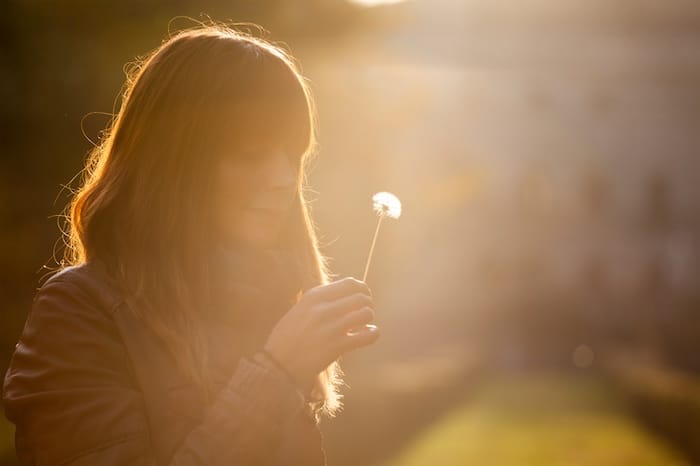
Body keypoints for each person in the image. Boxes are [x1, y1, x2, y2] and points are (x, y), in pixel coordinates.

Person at [2, 22, 381, 466]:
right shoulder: (78, 312)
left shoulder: (267, 309)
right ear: (175, 162)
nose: (283, 180)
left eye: (291, 156)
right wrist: (276, 374)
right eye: (252, 154)